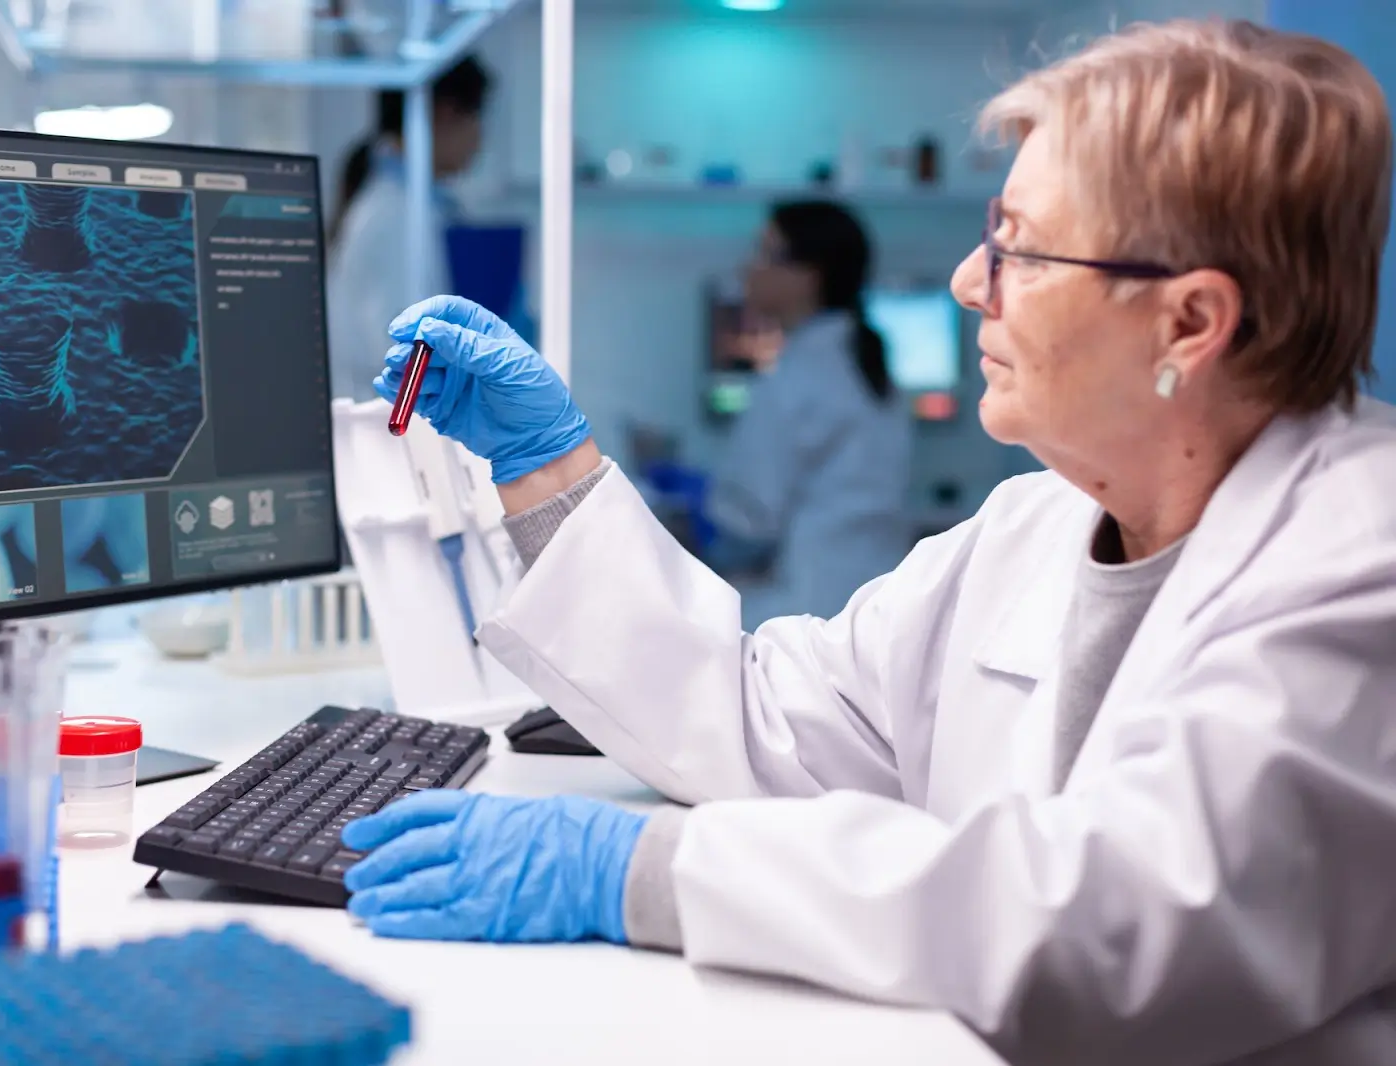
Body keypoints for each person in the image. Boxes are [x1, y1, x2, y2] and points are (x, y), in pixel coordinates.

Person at [344, 19, 1396, 1066]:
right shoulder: (1033, 525)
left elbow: (1115, 923)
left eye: (1020, 249)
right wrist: (548, 470)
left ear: (1188, 322)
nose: (967, 283)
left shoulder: (1360, 565)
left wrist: (645, 871)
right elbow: (762, 722)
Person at [700, 201, 912, 626]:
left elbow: (749, 524)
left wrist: (694, 513)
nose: (749, 269)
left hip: (808, 608)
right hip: (875, 600)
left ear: (809, 275)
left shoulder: (796, 379)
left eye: (765, 253)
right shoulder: (867, 365)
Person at [325, 56, 492, 401]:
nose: (480, 137)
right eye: (477, 118)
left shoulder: (406, 206)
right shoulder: (393, 215)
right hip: (391, 432)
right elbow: (401, 353)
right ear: (445, 114)